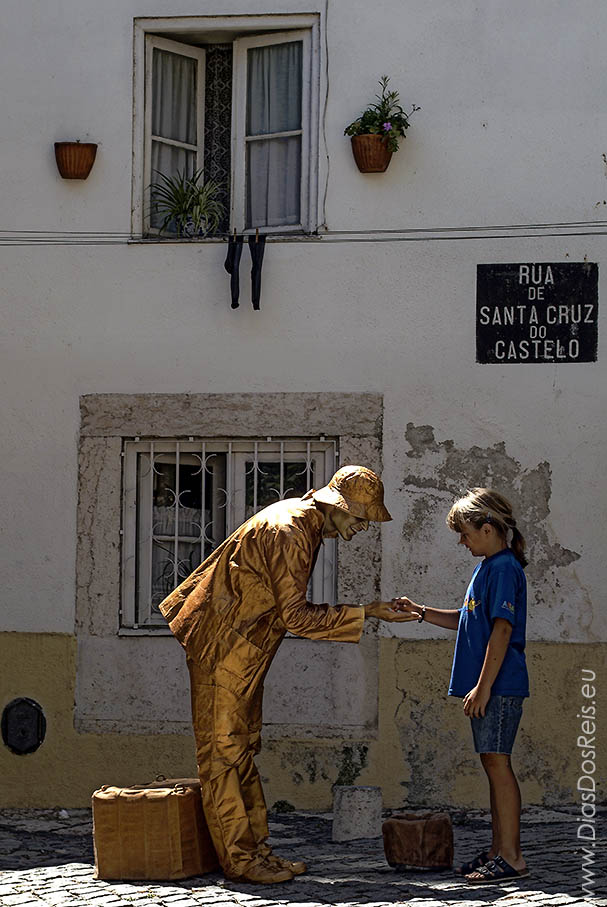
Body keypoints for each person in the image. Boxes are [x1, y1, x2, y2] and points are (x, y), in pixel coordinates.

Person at [159, 465, 409, 885]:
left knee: (241, 751)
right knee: (223, 757)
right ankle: (241, 860)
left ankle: (257, 851)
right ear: (338, 507)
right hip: (224, 647)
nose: (363, 527)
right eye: (361, 518)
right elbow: (296, 617)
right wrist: (367, 611)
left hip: (242, 649)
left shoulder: (301, 523)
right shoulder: (292, 530)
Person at [394, 488, 530, 884]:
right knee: (493, 764)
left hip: (500, 686)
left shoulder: (503, 568)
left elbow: (502, 630)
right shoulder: (487, 567)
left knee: (499, 765)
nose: (462, 541)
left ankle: (512, 857)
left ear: (488, 529)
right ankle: (497, 850)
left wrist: (484, 687)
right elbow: (467, 620)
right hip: (491, 686)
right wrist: (420, 612)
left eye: (466, 533)